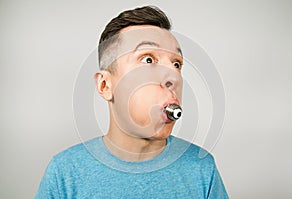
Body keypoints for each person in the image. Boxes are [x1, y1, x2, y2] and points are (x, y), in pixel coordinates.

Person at [36, 5, 229, 198]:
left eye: (176, 64)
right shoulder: (63, 174)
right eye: (148, 60)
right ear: (105, 86)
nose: (173, 77)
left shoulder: (202, 169)